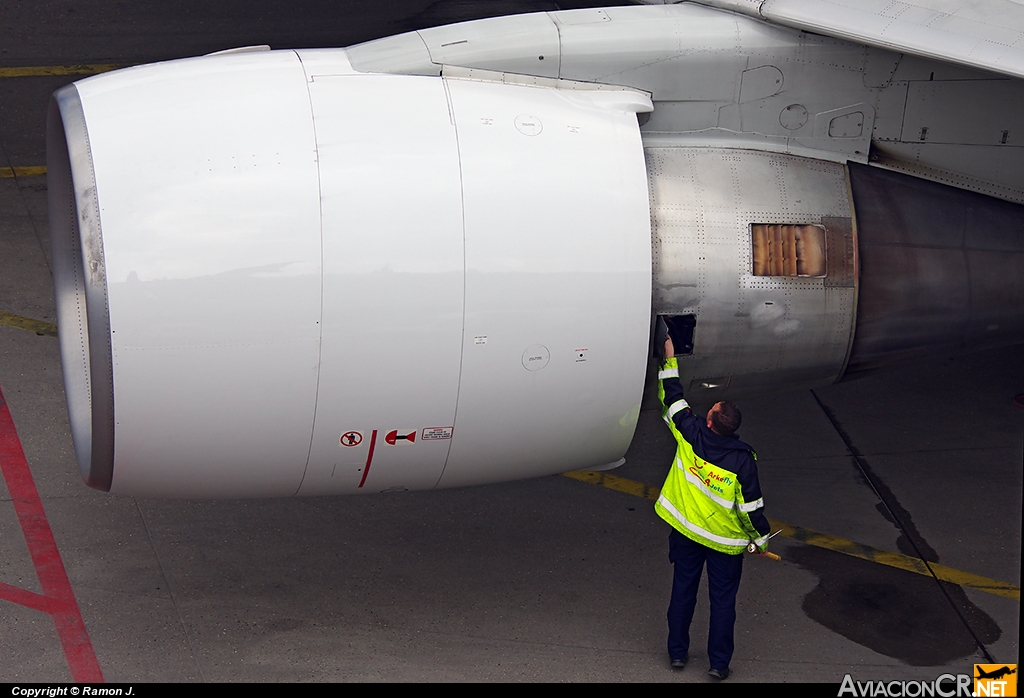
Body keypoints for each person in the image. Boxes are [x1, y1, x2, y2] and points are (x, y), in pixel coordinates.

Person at [655, 336, 770, 680]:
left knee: (682, 593)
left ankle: (677, 654)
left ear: (710, 420)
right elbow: (751, 512)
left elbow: (673, 398)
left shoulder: (690, 434)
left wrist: (669, 359)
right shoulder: (742, 462)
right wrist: (761, 540)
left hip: (687, 534)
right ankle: (718, 664)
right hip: (724, 544)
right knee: (722, 604)